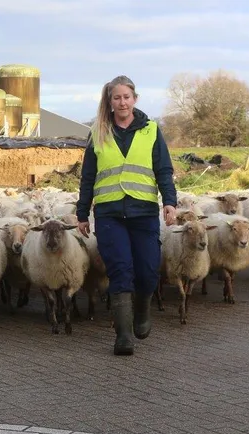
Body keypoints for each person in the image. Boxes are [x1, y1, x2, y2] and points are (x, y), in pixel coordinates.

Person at [76, 75, 177, 356]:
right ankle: (123, 336)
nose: (122, 102)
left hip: (143, 211)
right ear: (109, 102)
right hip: (109, 213)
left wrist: (170, 201)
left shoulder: (152, 131)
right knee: (120, 271)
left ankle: (142, 311)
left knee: (147, 272)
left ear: (135, 99)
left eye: (126, 97)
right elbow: (88, 176)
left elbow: (163, 170)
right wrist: (82, 212)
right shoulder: (97, 132)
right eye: (116, 97)